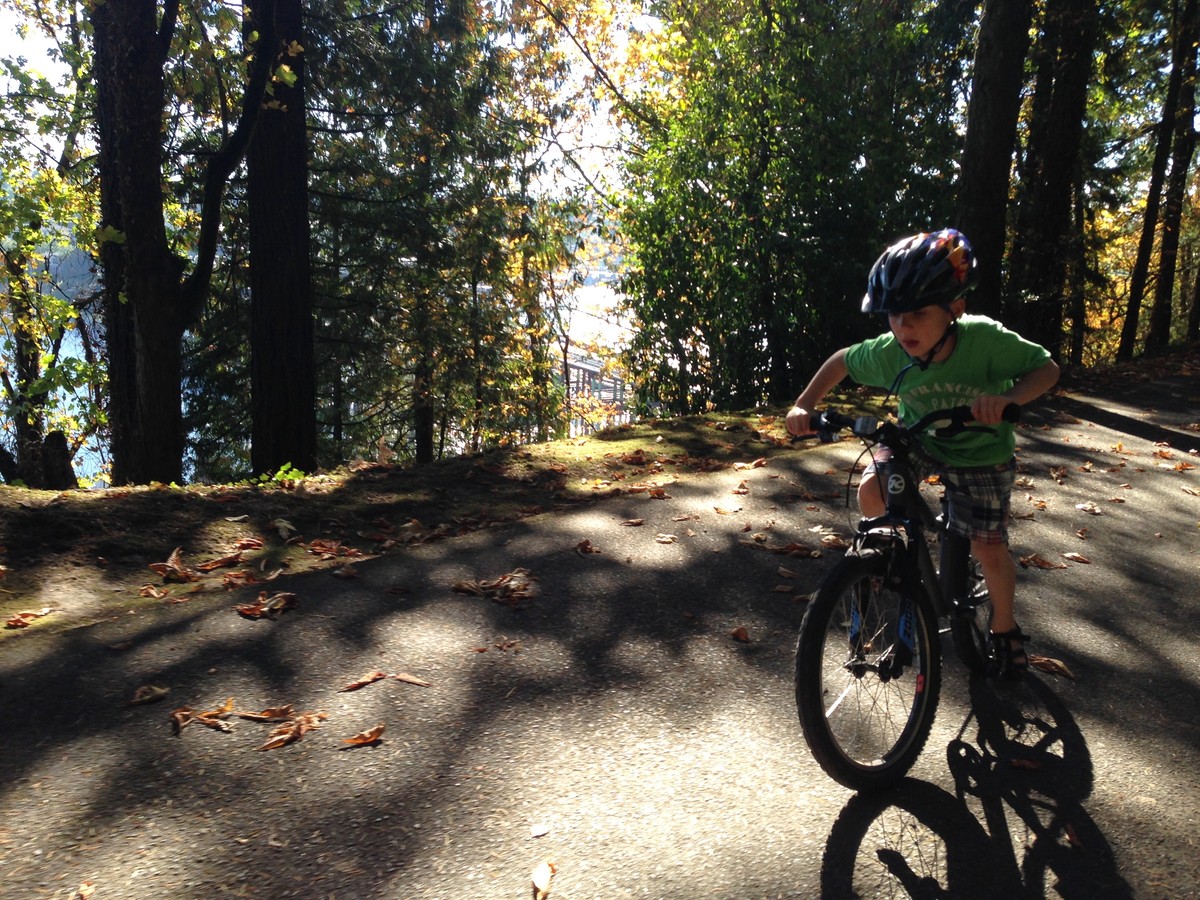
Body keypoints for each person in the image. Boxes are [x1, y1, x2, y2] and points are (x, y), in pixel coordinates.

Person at [785, 229, 1060, 679]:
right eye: (894, 315)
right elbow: (841, 362)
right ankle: (889, 558)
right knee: (872, 489)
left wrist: (1009, 400)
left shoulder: (984, 341)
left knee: (987, 546)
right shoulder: (891, 352)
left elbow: (1046, 369)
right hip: (921, 439)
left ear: (955, 309)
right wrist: (804, 405)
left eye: (917, 314)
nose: (903, 327)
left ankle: (1004, 629)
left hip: (980, 452)